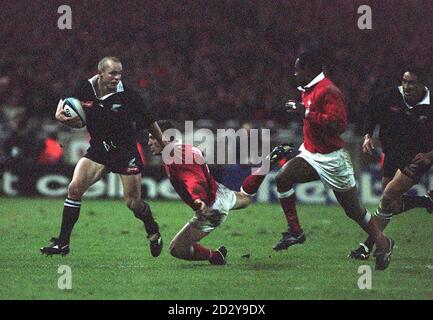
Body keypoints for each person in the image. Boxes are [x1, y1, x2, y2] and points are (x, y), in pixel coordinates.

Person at [272, 51, 394, 270]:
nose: (295, 73)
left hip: (332, 159)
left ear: (310, 70)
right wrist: (301, 112)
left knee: (353, 211)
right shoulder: (307, 89)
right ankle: (295, 231)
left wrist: (306, 112)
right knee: (282, 178)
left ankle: (383, 242)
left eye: (298, 68)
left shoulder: (329, 91)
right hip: (311, 154)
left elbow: (340, 125)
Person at [40, 57, 166, 257]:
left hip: (125, 151)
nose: (117, 78)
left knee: (133, 203)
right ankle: (62, 243)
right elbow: (73, 112)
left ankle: (152, 228)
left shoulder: (129, 96)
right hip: (99, 149)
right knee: (74, 189)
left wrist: (162, 140)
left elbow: (150, 120)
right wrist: (60, 117)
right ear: (100, 73)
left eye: (119, 74)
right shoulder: (84, 88)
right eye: (112, 73)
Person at [148, 121, 295, 265]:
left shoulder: (178, 156)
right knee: (245, 198)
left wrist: (198, 198)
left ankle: (216, 256)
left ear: (165, 138)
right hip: (218, 192)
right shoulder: (185, 150)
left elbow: (194, 179)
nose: (149, 142)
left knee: (177, 249)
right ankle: (267, 163)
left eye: (152, 137)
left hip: (211, 206)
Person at [349, 66, 433, 260]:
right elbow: (371, 113)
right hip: (392, 154)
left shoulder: (430, 106)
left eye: (412, 82)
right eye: (404, 81)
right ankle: (426, 201)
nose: (406, 86)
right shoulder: (389, 96)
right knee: (392, 205)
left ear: (422, 85)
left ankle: (368, 246)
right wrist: (367, 135)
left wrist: (429, 155)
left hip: (416, 158)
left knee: (387, 197)